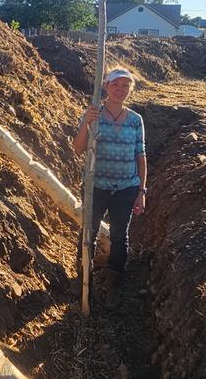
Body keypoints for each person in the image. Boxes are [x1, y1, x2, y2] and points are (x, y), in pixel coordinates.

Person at [72, 67, 147, 310]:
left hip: (126, 188)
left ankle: (114, 282)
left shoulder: (136, 120)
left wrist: (141, 192)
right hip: (97, 186)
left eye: (125, 86)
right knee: (88, 233)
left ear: (129, 90)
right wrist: (86, 122)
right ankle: (84, 280)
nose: (120, 89)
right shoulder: (94, 114)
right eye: (116, 84)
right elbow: (78, 148)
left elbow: (141, 156)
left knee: (119, 236)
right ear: (106, 86)